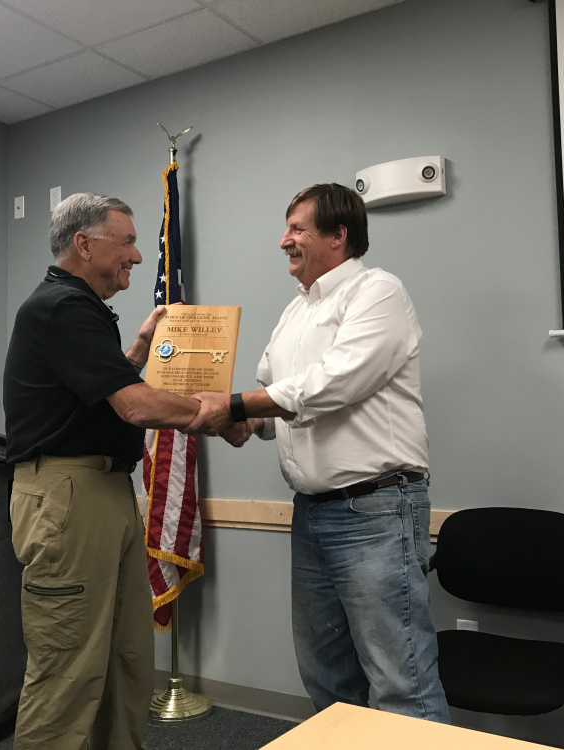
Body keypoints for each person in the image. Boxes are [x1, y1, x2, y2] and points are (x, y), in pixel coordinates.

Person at [193, 183, 449, 722]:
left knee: (400, 677)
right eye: (286, 229)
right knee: (325, 671)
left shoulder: (378, 292)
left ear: (339, 235)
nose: (284, 240)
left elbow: (336, 382)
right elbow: (272, 401)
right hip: (312, 512)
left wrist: (236, 405)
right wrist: (234, 421)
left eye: (297, 229)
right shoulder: (294, 313)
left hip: (376, 510)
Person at [3, 192, 224, 750]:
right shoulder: (62, 307)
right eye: (125, 241)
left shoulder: (80, 310)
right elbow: (134, 406)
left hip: (102, 492)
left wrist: (140, 348)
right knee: (69, 668)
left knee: (126, 659)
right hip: (68, 495)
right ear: (83, 243)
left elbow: (95, 396)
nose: (137, 256)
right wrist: (220, 410)